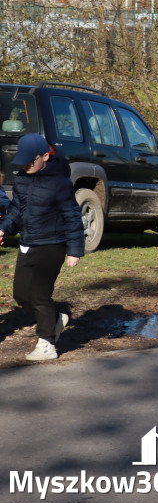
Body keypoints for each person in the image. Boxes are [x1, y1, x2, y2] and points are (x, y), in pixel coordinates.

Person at [0, 134, 84, 361]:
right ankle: (55, 319)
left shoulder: (60, 182)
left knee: (39, 294)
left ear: (45, 156)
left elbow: (72, 215)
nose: (26, 165)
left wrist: (74, 249)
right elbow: (17, 210)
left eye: (31, 160)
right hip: (27, 243)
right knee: (21, 295)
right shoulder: (21, 179)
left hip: (52, 244)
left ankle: (47, 343)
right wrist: (3, 229)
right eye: (23, 160)